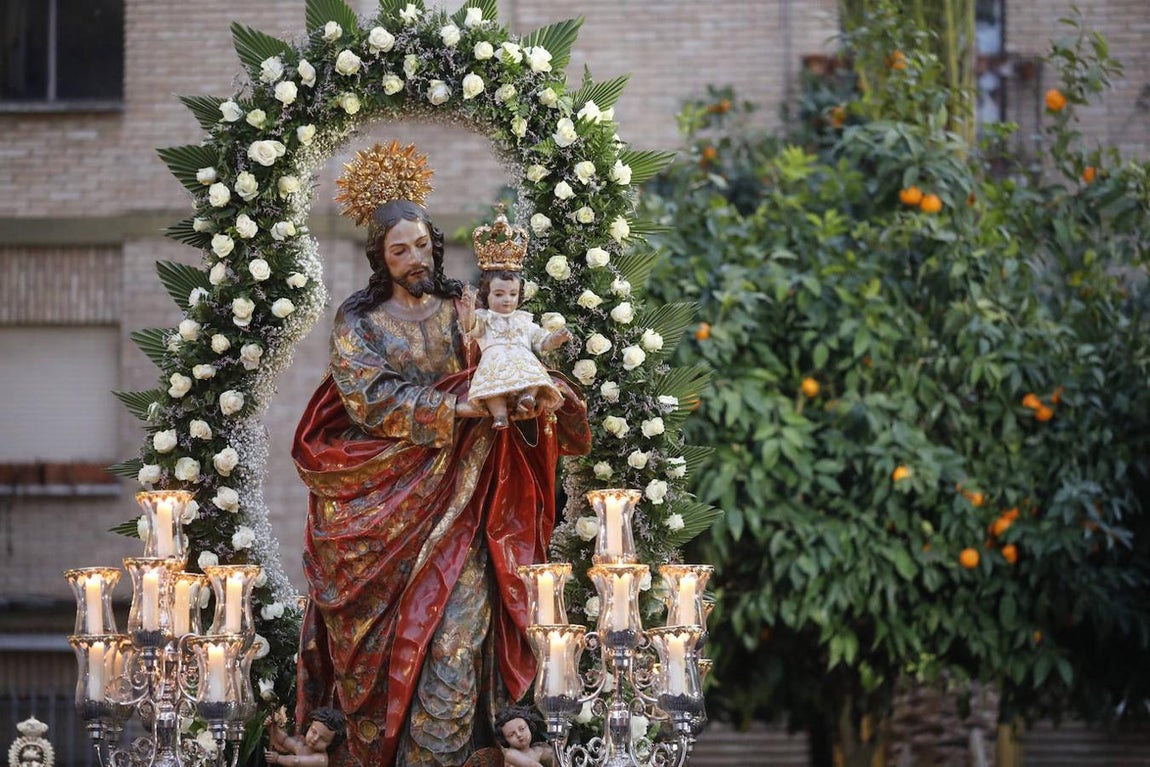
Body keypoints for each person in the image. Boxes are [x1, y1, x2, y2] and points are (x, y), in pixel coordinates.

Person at [292, 143, 591, 767]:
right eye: (399, 250)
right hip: (381, 506)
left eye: (422, 244)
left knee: (456, 641)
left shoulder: (466, 308)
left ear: (434, 243)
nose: (415, 258)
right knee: (378, 651)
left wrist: (534, 390)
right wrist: (458, 408)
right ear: (381, 258)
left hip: (466, 500)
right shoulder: (359, 321)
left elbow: (505, 361)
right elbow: (368, 398)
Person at [460, 217, 573, 428]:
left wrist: (556, 338)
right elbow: (469, 328)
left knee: (536, 377)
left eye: (512, 294)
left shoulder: (523, 319)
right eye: (499, 294)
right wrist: (468, 309)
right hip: (495, 364)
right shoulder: (485, 318)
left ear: (519, 295)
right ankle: (500, 414)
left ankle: (527, 398)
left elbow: (541, 342)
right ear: (487, 295)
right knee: (493, 390)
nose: (507, 299)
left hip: (523, 362)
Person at [264, 708, 347, 767]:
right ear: (309, 727)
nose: (315, 739)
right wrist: (273, 727)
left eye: (323, 739)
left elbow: (296, 762)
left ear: (331, 743)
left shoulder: (321, 759)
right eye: (314, 732)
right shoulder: (301, 746)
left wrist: (278, 758)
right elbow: (284, 740)